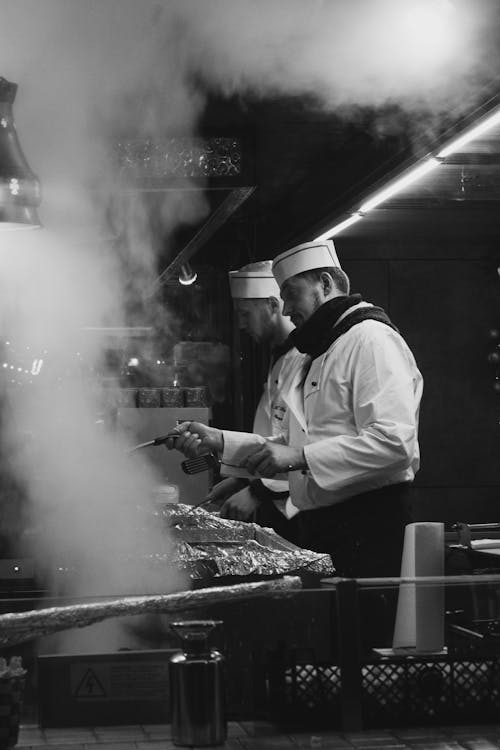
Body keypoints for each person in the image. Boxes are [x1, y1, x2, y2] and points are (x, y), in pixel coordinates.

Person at [168, 239, 423, 578]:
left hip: (371, 526)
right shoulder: (319, 353)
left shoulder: (371, 340)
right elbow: (287, 443)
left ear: (326, 285)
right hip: (326, 527)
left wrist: (299, 458)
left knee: (364, 628)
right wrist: (220, 440)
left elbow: (394, 444)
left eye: (291, 293)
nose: (286, 309)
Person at [201, 260, 302, 538]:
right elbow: (274, 437)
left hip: (301, 508)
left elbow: (302, 448)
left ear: (273, 304)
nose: (242, 325)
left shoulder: (306, 359)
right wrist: (239, 479)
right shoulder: (279, 358)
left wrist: (257, 491)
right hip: (278, 499)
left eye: (245, 314)